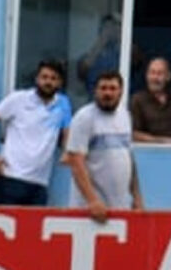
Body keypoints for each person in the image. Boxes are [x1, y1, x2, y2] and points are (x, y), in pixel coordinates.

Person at [0, 59, 71, 206]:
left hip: (39, 183)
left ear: (60, 83)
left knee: (32, 228)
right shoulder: (19, 99)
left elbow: (67, 130)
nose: (48, 82)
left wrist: (67, 152)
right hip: (9, 177)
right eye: (44, 77)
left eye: (53, 78)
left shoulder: (63, 104)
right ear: (37, 79)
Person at [61, 70, 142, 223]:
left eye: (112, 88)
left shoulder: (125, 116)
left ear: (121, 91)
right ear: (95, 91)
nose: (107, 93)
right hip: (90, 212)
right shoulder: (84, 117)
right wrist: (92, 201)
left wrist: (137, 197)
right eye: (103, 88)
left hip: (119, 209)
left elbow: (129, 159)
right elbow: (76, 163)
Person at [129, 56, 171, 144]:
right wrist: (161, 141)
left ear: (168, 76)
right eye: (152, 73)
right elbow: (132, 133)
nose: (155, 78)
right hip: (149, 152)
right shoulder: (137, 100)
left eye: (159, 73)